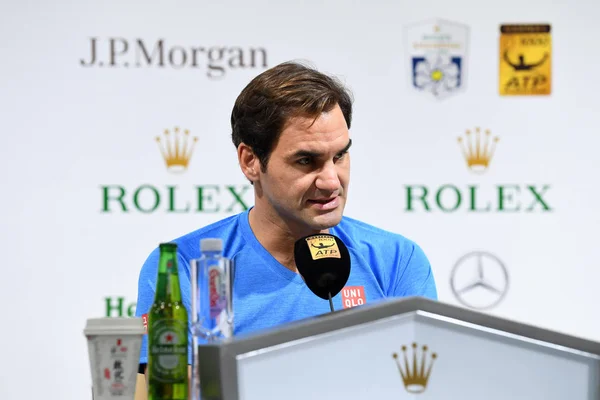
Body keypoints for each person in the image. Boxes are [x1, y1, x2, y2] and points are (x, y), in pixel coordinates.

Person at [134, 60, 437, 375]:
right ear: (251, 161)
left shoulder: (396, 260)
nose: (332, 181)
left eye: (340, 155)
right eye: (306, 160)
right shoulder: (182, 266)